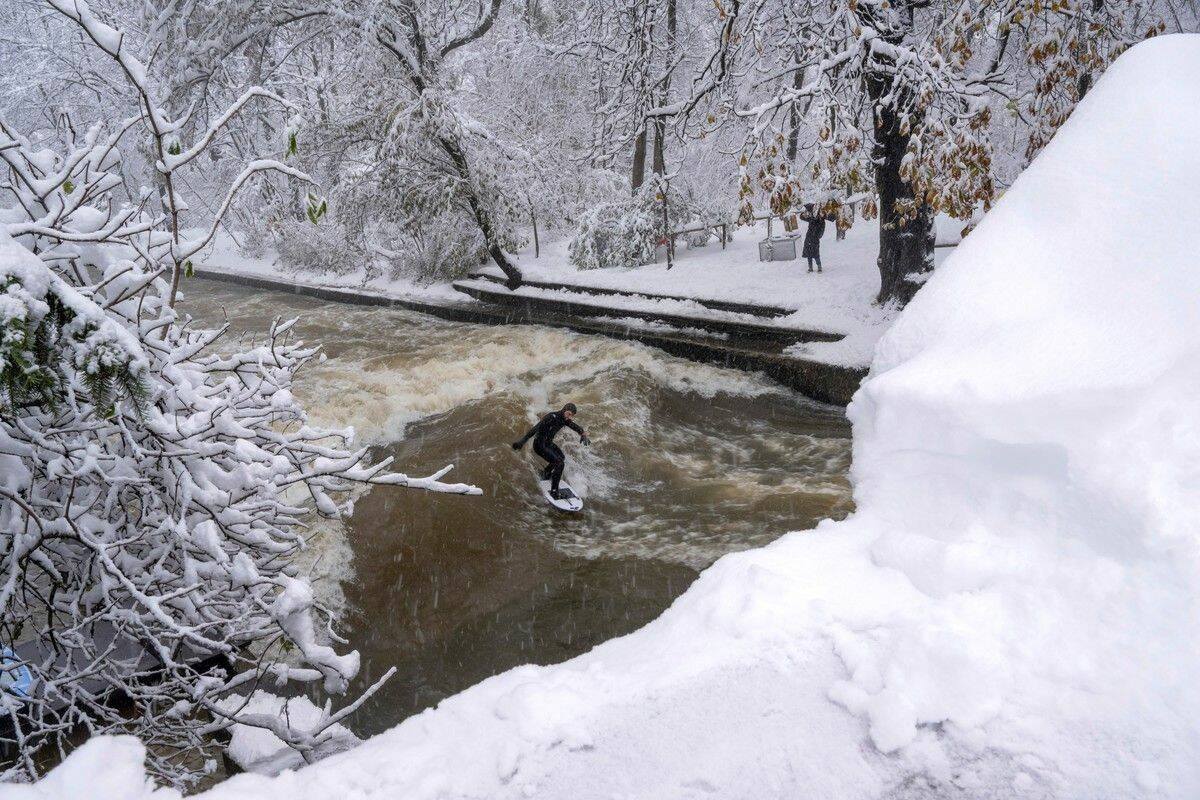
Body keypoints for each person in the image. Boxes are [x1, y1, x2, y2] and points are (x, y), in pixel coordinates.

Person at [512, 403, 590, 499]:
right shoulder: (551, 417)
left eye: (572, 415)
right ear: (564, 410)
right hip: (539, 445)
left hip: (548, 444)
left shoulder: (564, 419)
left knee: (561, 457)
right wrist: (522, 441)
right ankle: (554, 491)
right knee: (559, 463)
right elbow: (535, 429)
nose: (570, 417)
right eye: (569, 414)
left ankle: (546, 473)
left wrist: (583, 433)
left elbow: (574, 426)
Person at [798, 203, 835, 273]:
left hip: (815, 237)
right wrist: (805, 213)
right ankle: (810, 268)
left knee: (816, 253)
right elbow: (802, 217)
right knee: (808, 253)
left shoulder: (821, 216)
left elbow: (832, 218)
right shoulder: (811, 216)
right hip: (809, 236)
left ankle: (819, 267)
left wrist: (824, 214)